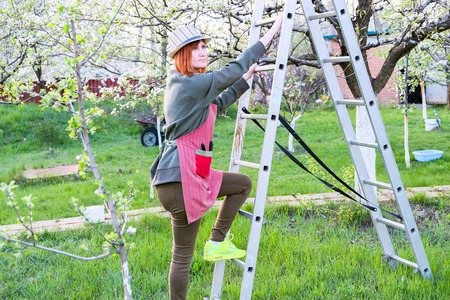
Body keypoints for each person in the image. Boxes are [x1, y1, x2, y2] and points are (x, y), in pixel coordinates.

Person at [150, 15, 283, 300]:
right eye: (196, 48)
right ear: (183, 55)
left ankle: (217, 241)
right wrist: (272, 32)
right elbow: (232, 69)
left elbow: (218, 103)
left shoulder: (189, 85)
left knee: (242, 184)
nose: (203, 52)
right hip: (180, 180)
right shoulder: (188, 84)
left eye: (203, 47)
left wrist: (245, 80)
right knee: (182, 258)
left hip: (181, 176)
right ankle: (214, 245)